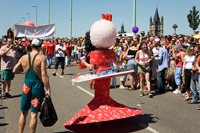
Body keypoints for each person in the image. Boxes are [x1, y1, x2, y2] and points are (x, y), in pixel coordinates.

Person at [64, 19, 142, 127]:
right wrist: (125, 60)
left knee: (99, 97)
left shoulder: (94, 53)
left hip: (98, 76)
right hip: (107, 76)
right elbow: (118, 63)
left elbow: (91, 66)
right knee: (105, 96)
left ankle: (99, 117)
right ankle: (105, 116)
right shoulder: (110, 52)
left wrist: (84, 63)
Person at [13, 38, 51, 133]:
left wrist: (24, 69)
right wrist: (48, 88)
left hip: (26, 86)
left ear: (31, 46)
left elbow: (14, 70)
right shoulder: (41, 57)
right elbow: (44, 75)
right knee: (33, 114)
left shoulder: (24, 58)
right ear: (40, 46)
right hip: (37, 86)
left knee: (23, 112)